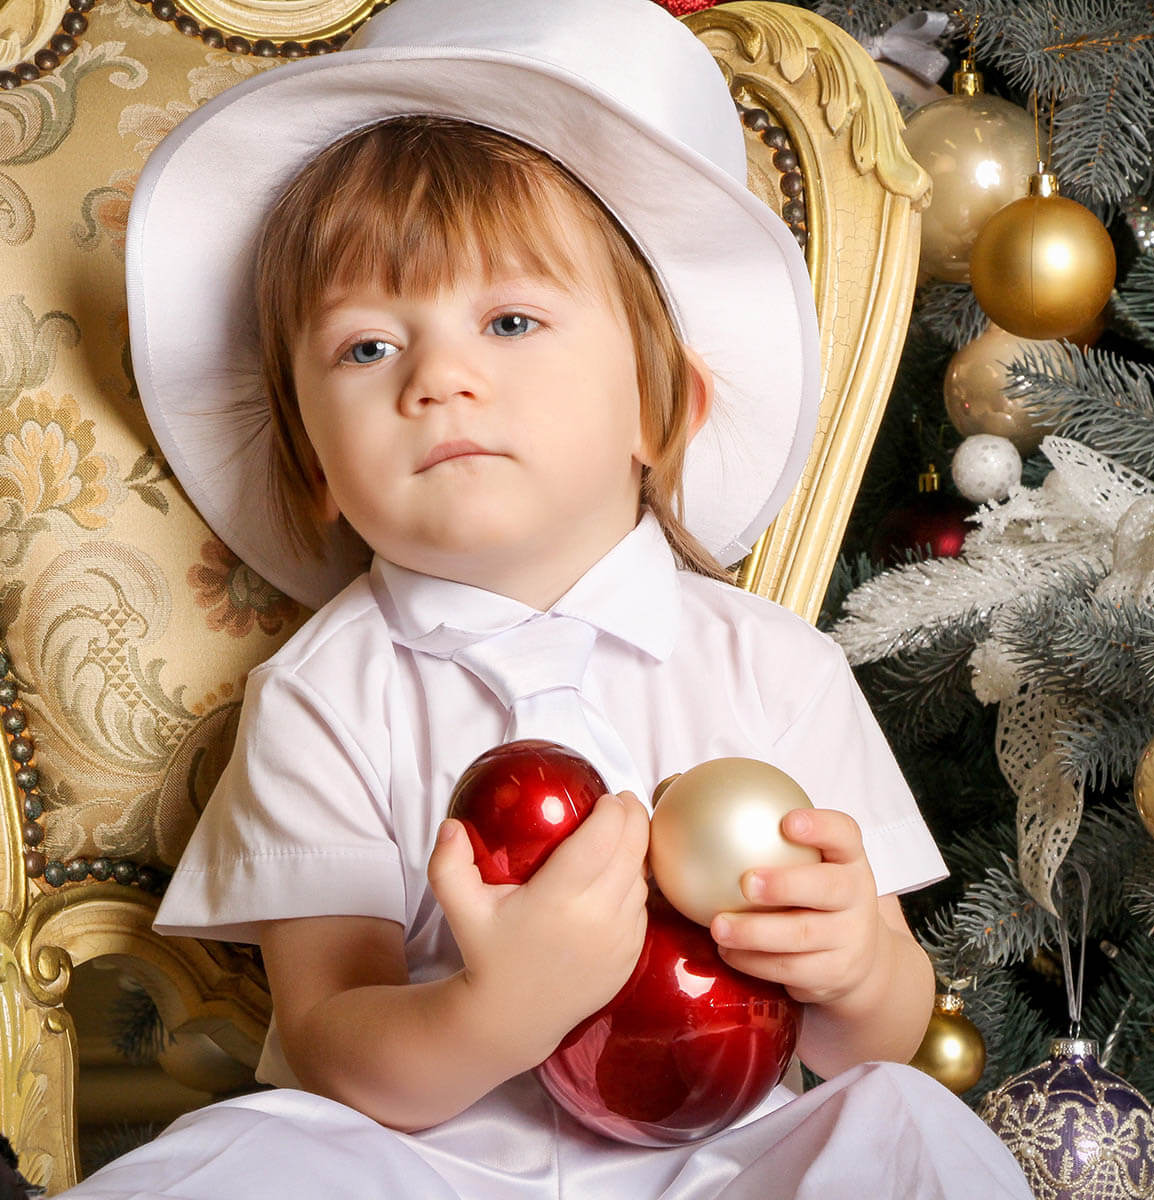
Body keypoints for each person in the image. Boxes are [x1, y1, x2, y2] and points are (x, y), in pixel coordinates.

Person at [61, 0, 1034, 1195]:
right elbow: (328, 1042)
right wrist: (494, 1011)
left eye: (510, 321)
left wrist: (853, 971)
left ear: (659, 408)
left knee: (903, 1125)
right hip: (433, 1164)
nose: (439, 379)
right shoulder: (326, 693)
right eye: (367, 349)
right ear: (314, 463)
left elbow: (870, 1039)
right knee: (243, 1161)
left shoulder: (772, 667)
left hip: (724, 1161)